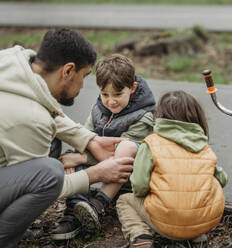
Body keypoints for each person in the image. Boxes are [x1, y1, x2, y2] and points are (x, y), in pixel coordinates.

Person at [0, 28, 133, 248]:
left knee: (50, 148)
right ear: (68, 70)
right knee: (50, 172)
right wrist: (95, 174)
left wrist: (90, 140)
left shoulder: (13, 60)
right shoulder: (32, 119)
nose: (82, 86)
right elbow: (48, 186)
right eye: (84, 77)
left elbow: (44, 113)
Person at [51, 54, 156, 240]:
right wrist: (79, 156)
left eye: (117, 94)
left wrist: (84, 158)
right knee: (72, 156)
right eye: (104, 94)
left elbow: (120, 154)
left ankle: (99, 204)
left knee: (126, 147)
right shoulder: (98, 109)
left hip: (131, 173)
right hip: (105, 167)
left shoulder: (143, 116)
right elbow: (85, 137)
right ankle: (75, 211)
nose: (111, 101)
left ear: (132, 88)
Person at [116, 90, 228, 248]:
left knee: (124, 201)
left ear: (160, 115)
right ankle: (195, 236)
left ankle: (140, 237)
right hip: (203, 223)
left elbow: (139, 186)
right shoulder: (203, 146)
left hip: (165, 222)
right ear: (196, 116)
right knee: (210, 181)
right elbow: (223, 180)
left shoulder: (151, 143)